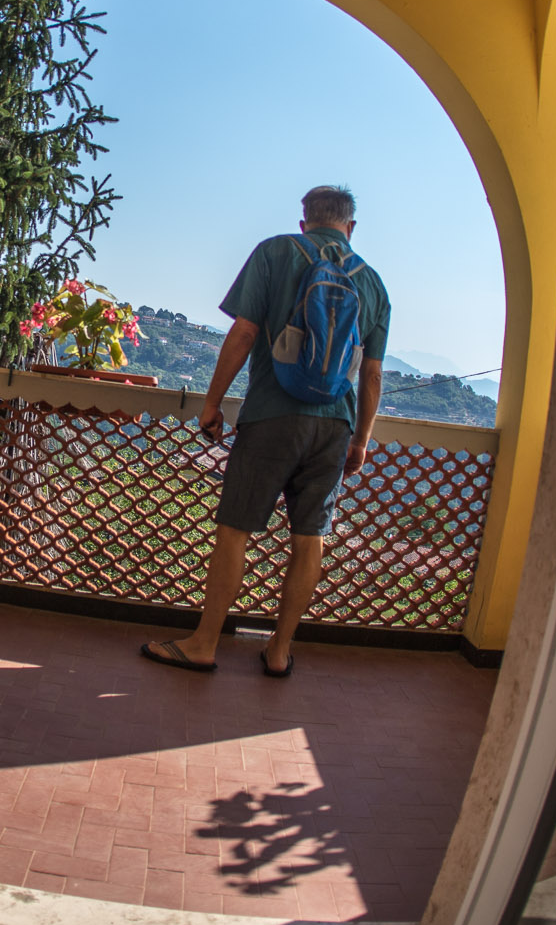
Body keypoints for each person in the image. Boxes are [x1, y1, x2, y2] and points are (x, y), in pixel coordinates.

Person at [140, 185, 389, 677]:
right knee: (309, 538)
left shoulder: (276, 252)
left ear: (304, 221)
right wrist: (361, 439)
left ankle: (204, 643)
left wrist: (212, 402)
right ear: (351, 227)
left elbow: (245, 332)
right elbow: (373, 374)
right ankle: (279, 651)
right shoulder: (373, 284)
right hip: (334, 427)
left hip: (272, 414)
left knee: (235, 530)